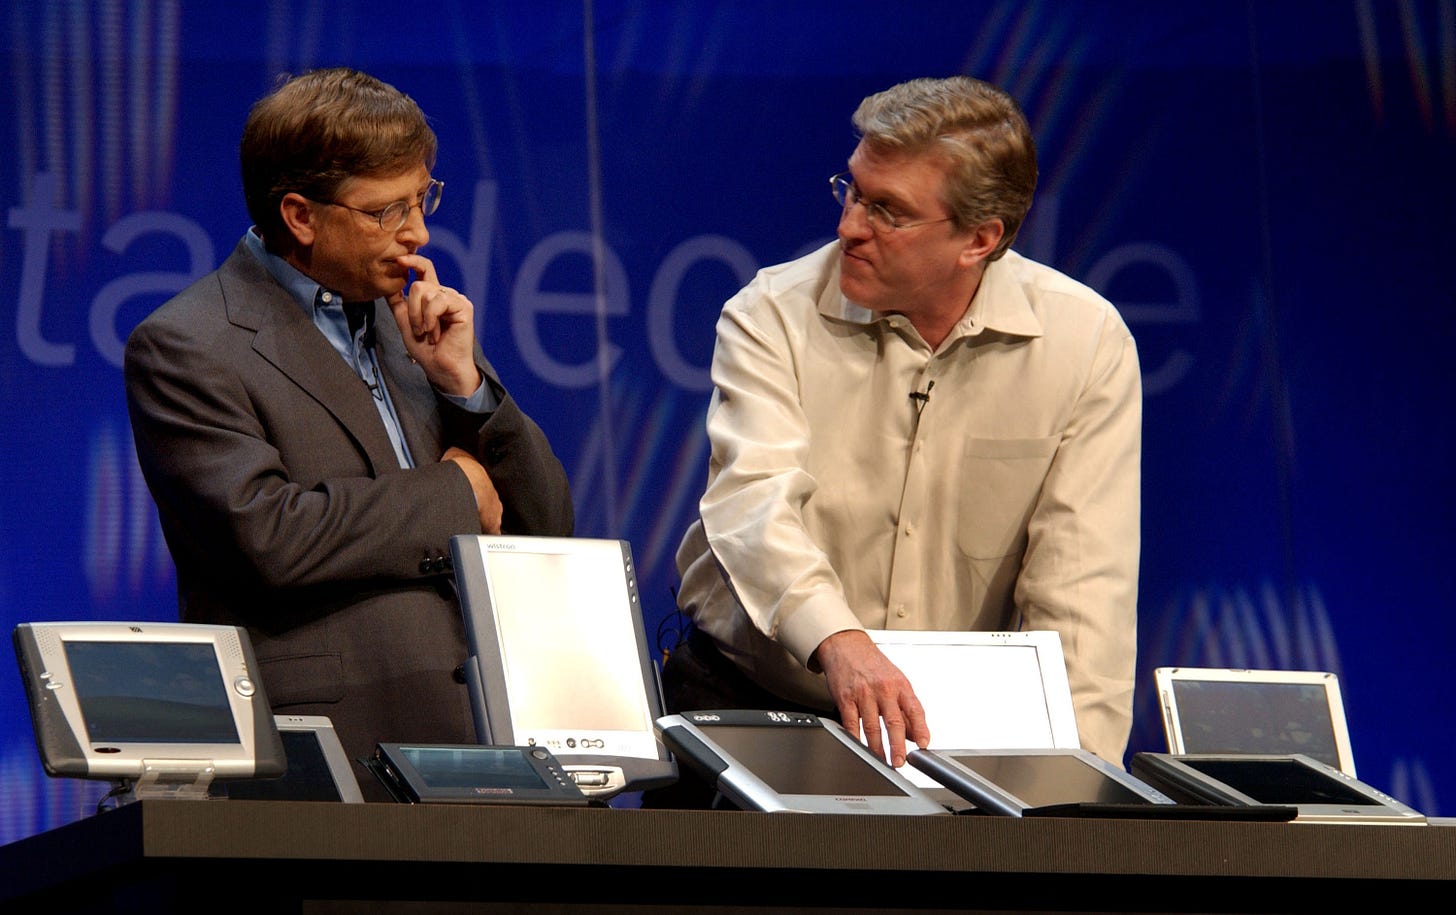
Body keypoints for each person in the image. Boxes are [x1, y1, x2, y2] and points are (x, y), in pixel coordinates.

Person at [660, 75, 1140, 803]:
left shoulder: (1085, 342)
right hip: (756, 702)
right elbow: (753, 504)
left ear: (978, 240)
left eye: (888, 210)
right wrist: (840, 640)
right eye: (851, 191)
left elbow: (1082, 599)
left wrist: (1075, 795)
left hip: (944, 731)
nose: (850, 225)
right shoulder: (770, 316)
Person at [123, 67, 573, 799]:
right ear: (300, 216)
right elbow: (269, 535)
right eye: (386, 211)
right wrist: (454, 492)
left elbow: (546, 526)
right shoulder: (189, 344)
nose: (418, 233)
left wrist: (468, 387)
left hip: (489, 742)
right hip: (330, 754)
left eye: (422, 198)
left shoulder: (415, 322)